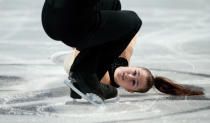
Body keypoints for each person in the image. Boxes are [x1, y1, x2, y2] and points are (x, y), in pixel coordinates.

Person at [42, 0, 204, 101]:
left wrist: (71, 58)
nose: (129, 76)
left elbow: (73, 60)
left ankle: (83, 75)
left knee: (133, 21)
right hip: (62, 19)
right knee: (114, 4)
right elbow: (130, 33)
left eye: (133, 82)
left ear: (129, 90)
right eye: (135, 72)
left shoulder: (105, 80)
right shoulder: (123, 54)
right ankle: (82, 73)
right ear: (135, 66)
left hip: (62, 22)